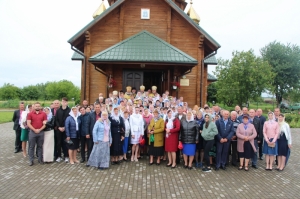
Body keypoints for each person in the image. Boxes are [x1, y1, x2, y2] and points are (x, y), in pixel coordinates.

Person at [55, 97, 71, 163]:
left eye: (65, 102)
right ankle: (59, 156)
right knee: (58, 143)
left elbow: (70, 120)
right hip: (59, 129)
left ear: (67, 102)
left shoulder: (69, 110)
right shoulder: (58, 110)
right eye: (63, 101)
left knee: (66, 143)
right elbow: (56, 120)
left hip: (66, 129)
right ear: (61, 102)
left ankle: (66, 156)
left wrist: (64, 127)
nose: (64, 103)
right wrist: (59, 127)